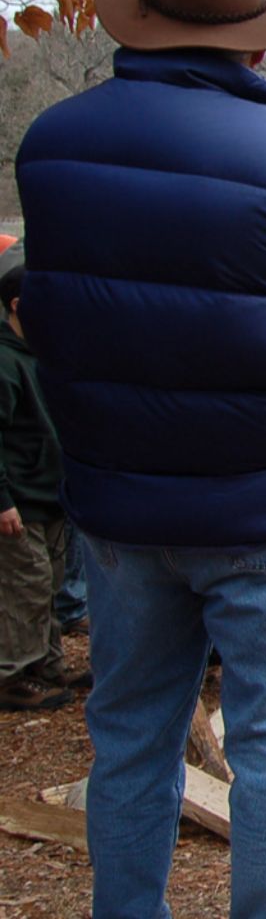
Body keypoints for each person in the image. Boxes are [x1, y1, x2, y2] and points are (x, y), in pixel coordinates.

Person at [15, 0, 266, 916]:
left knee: (129, 738)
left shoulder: (51, 145)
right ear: (253, 43)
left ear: (146, 23)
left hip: (119, 504)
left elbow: (59, 302)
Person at [0, 266, 76, 711]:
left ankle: (46, 665)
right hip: (19, 500)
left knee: (47, 581)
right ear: (17, 305)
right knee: (25, 584)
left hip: (51, 495)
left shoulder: (41, 355)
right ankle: (12, 673)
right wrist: (3, 499)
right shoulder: (6, 361)